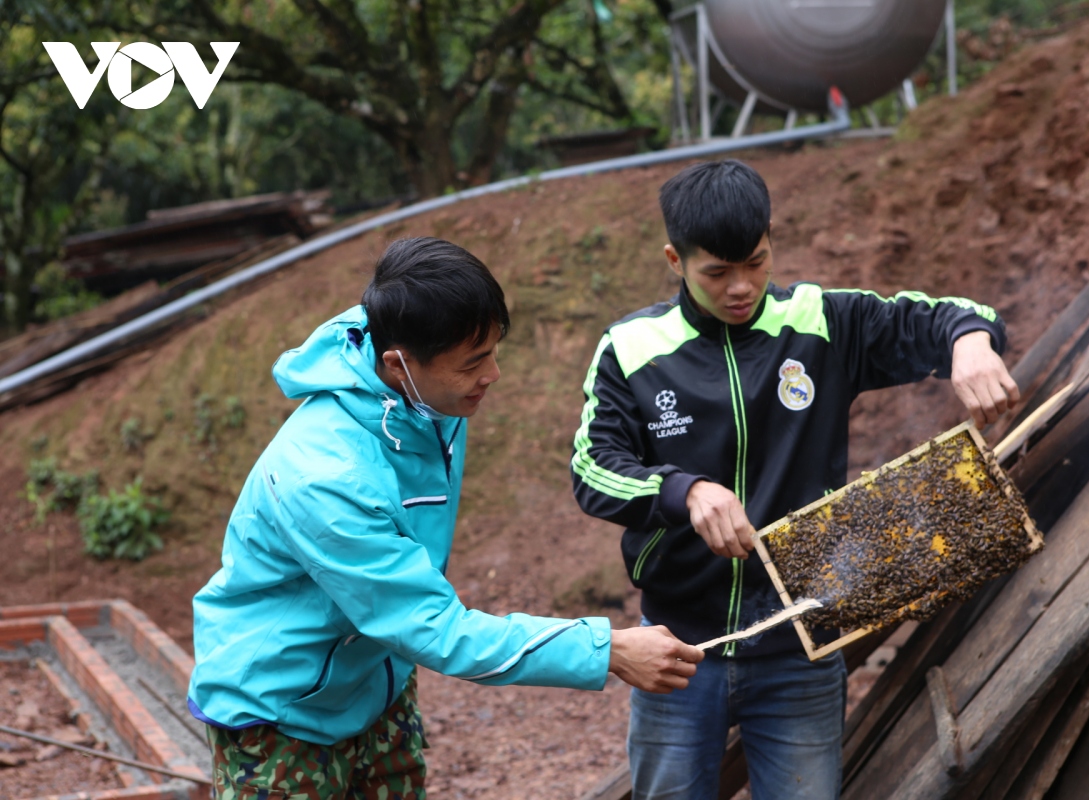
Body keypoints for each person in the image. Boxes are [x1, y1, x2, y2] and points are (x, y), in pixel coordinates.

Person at [187, 236, 703, 800]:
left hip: (375, 683)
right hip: (279, 712)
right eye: (474, 362)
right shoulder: (325, 478)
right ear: (397, 364)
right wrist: (607, 651)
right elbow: (434, 627)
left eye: (492, 350)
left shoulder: (425, 396)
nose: (494, 375)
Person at [570, 160, 1019, 800]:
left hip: (801, 645)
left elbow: (950, 314)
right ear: (675, 260)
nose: (740, 287)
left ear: (771, 239)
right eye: (717, 273)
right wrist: (684, 490)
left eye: (755, 262)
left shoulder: (820, 323)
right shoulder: (632, 348)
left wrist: (971, 343)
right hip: (677, 649)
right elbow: (592, 468)